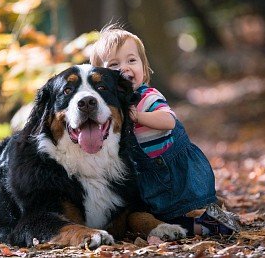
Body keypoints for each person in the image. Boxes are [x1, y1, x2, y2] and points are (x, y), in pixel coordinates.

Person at [90, 24, 240, 237]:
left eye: (131, 60)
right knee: (168, 217)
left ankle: (219, 221)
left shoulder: (148, 96)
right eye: (114, 65)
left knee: (184, 208)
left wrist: (139, 117)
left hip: (170, 172)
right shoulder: (112, 106)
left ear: (143, 66)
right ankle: (214, 218)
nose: (124, 68)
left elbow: (168, 120)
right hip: (146, 180)